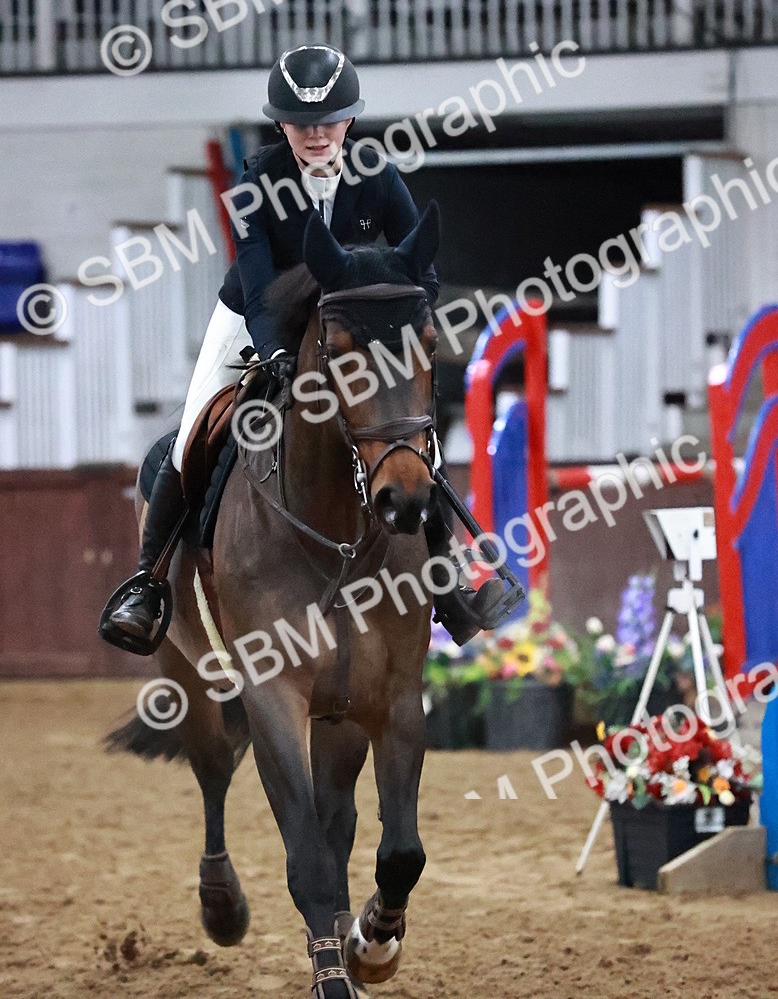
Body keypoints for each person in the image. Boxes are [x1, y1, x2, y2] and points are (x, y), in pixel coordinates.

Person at [104, 44, 503, 651]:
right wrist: (273, 352)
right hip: (256, 318)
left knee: (409, 435)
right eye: (302, 124)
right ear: (283, 126)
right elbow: (260, 282)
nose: (316, 135)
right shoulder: (258, 181)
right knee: (189, 436)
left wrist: (406, 318)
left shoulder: (375, 173)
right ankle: (149, 583)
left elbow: (418, 264)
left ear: (347, 121)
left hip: (353, 328)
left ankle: (447, 586)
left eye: (328, 121)